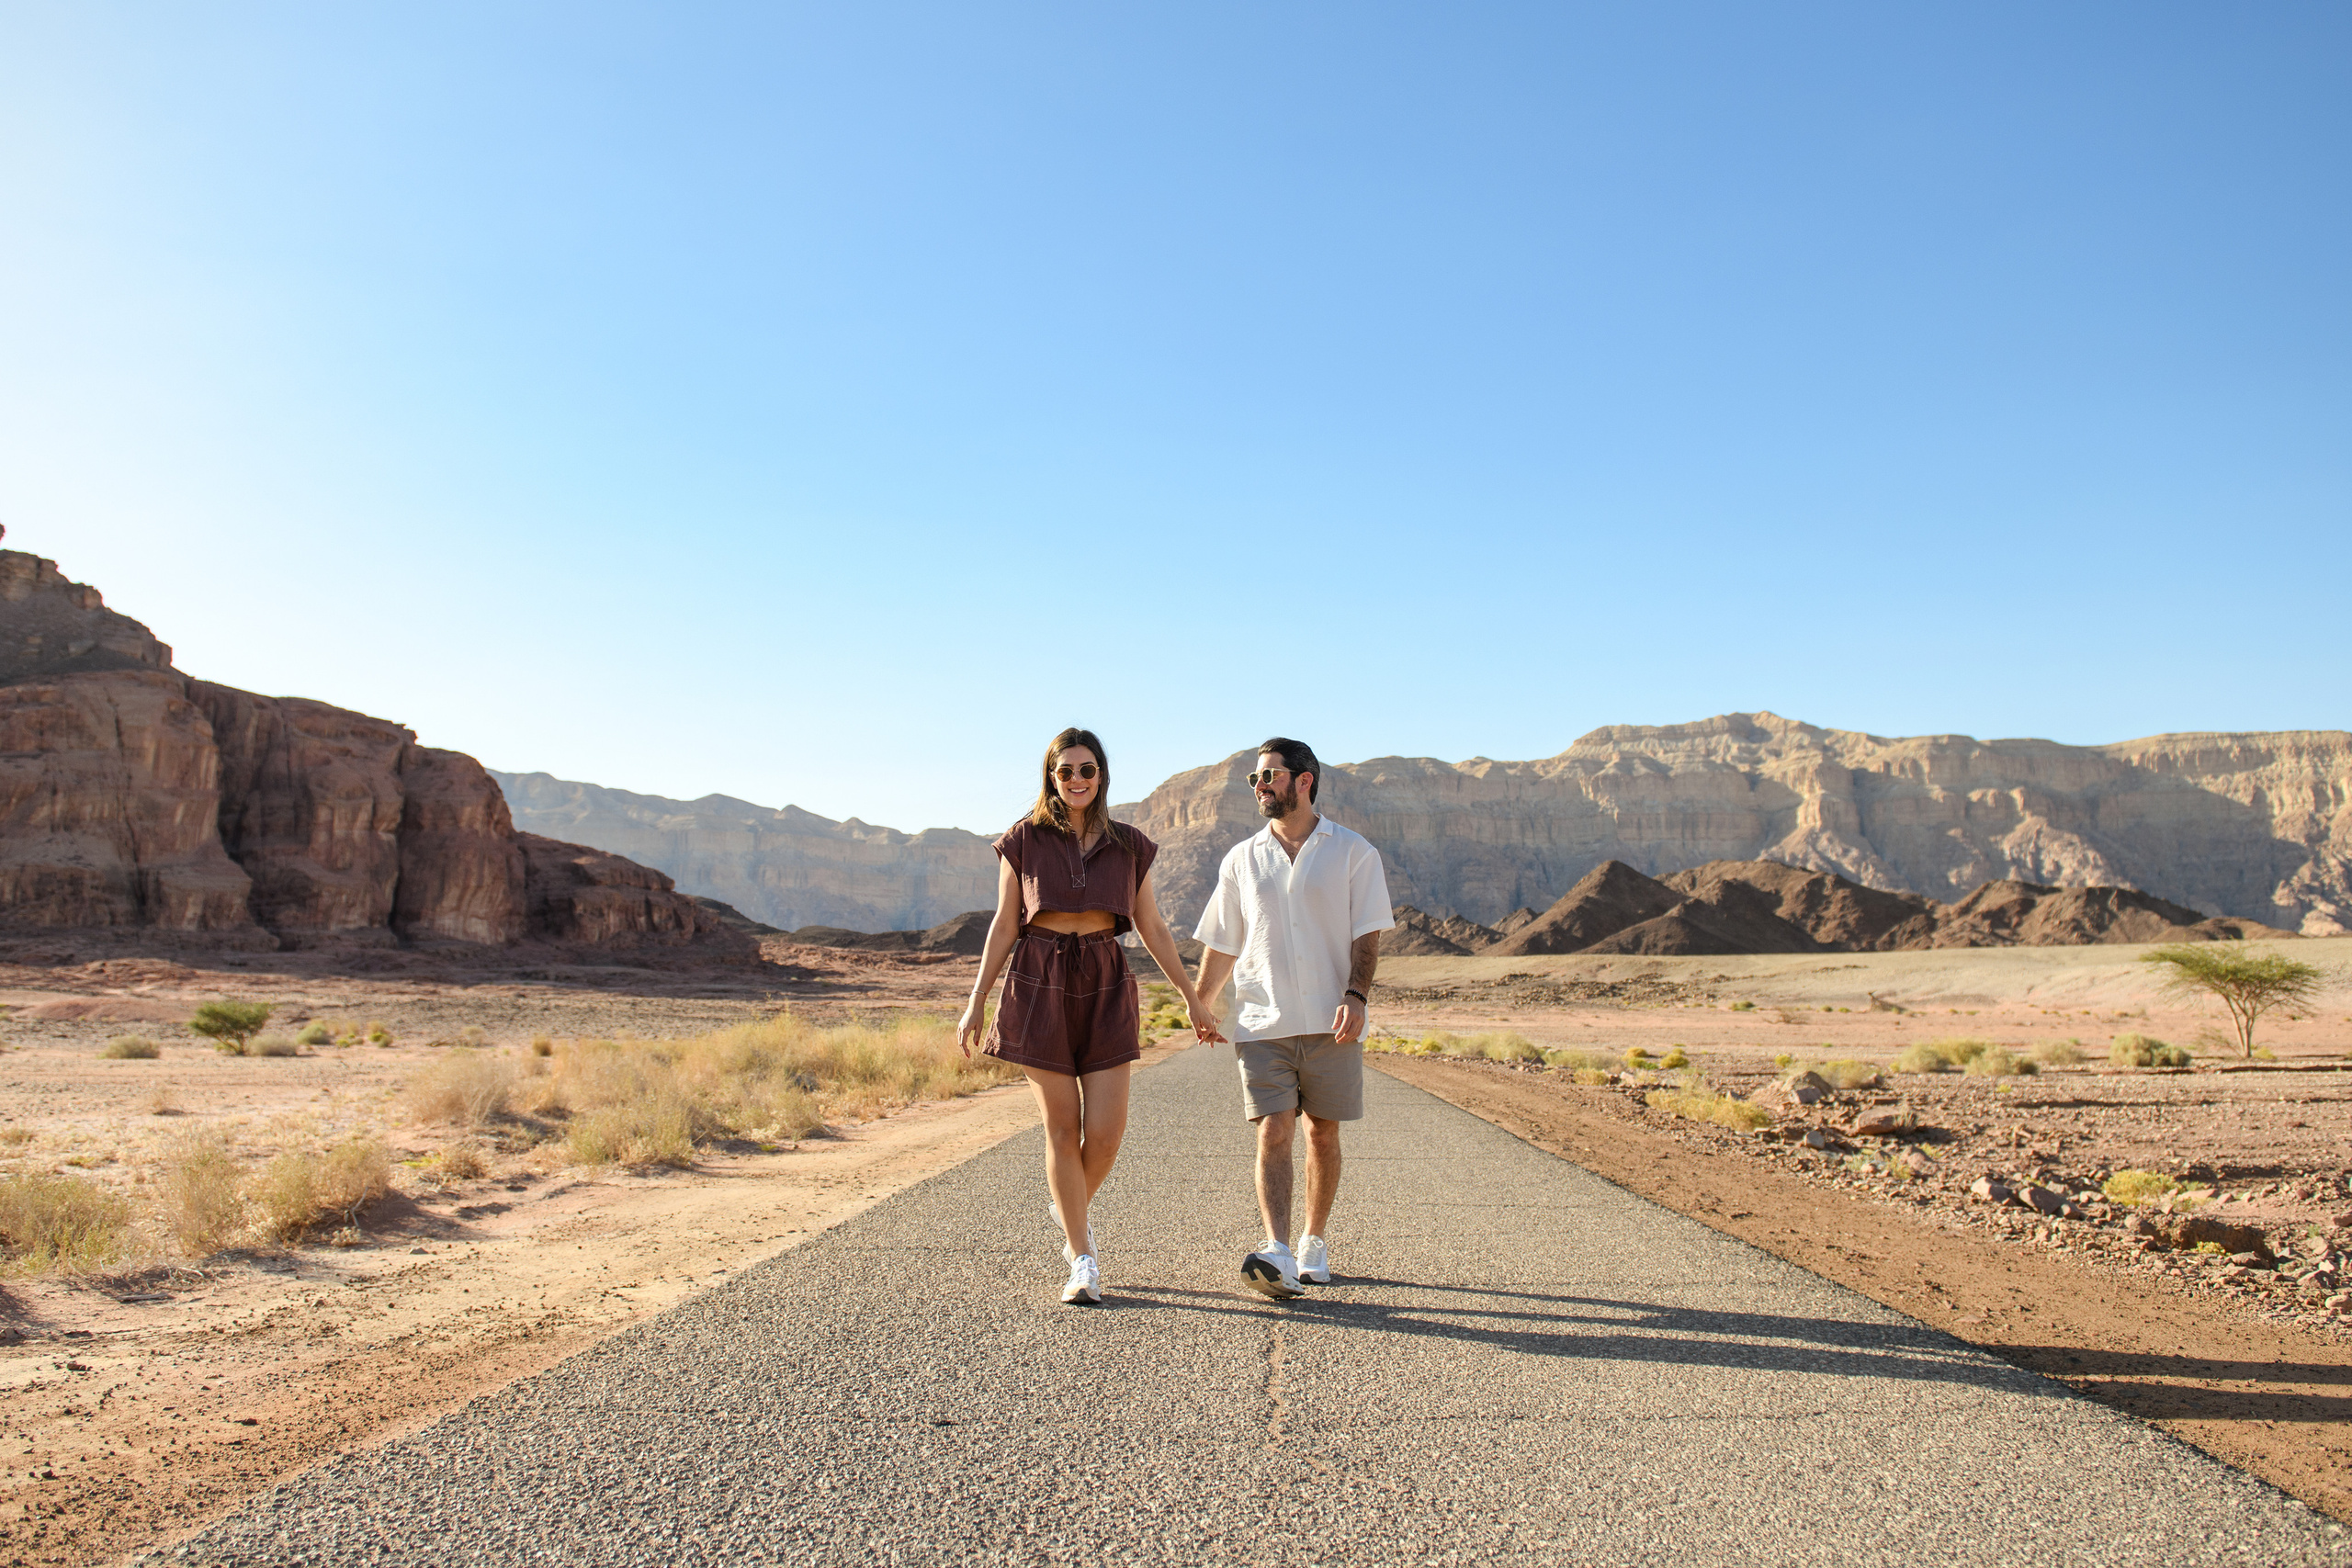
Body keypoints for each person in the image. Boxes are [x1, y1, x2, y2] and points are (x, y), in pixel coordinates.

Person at [957, 727, 1218, 1305]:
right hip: (1038, 977)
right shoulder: (1023, 838)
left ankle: (1068, 1206)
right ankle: (1082, 1258)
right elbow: (1004, 923)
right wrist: (977, 998)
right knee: (1060, 1125)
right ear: (1051, 777)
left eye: (1087, 770)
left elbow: (1153, 927)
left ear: (1101, 775)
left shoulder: (1130, 845)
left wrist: (1191, 997)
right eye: (1065, 770)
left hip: (1105, 979)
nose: (1076, 780)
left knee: (1104, 1133)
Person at [1192, 737, 1393, 1299]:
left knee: (1321, 1132)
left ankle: (1313, 1240)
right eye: (1255, 778)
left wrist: (1357, 994)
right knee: (1273, 1129)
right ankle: (1277, 1249)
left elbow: (1367, 934)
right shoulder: (1241, 859)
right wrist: (1201, 1002)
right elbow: (1223, 941)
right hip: (1263, 1021)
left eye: (1269, 776)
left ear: (1304, 780)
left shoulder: (1354, 851)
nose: (1259, 786)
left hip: (1333, 1020)